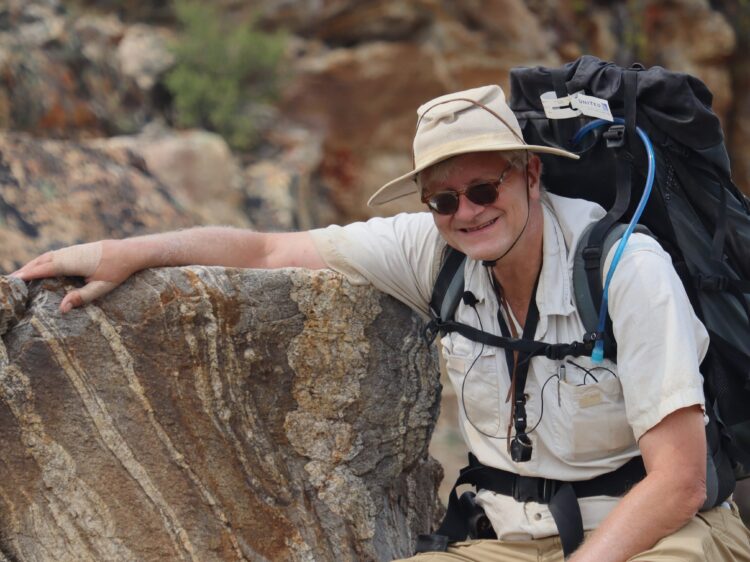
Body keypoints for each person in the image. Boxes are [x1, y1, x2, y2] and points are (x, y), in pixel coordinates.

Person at [12, 85, 750, 562]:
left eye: (485, 186)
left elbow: (679, 483)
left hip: (655, 536)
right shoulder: (434, 251)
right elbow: (267, 248)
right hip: (513, 542)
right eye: (444, 199)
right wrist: (124, 252)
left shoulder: (626, 268)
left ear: (531, 173)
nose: (467, 212)